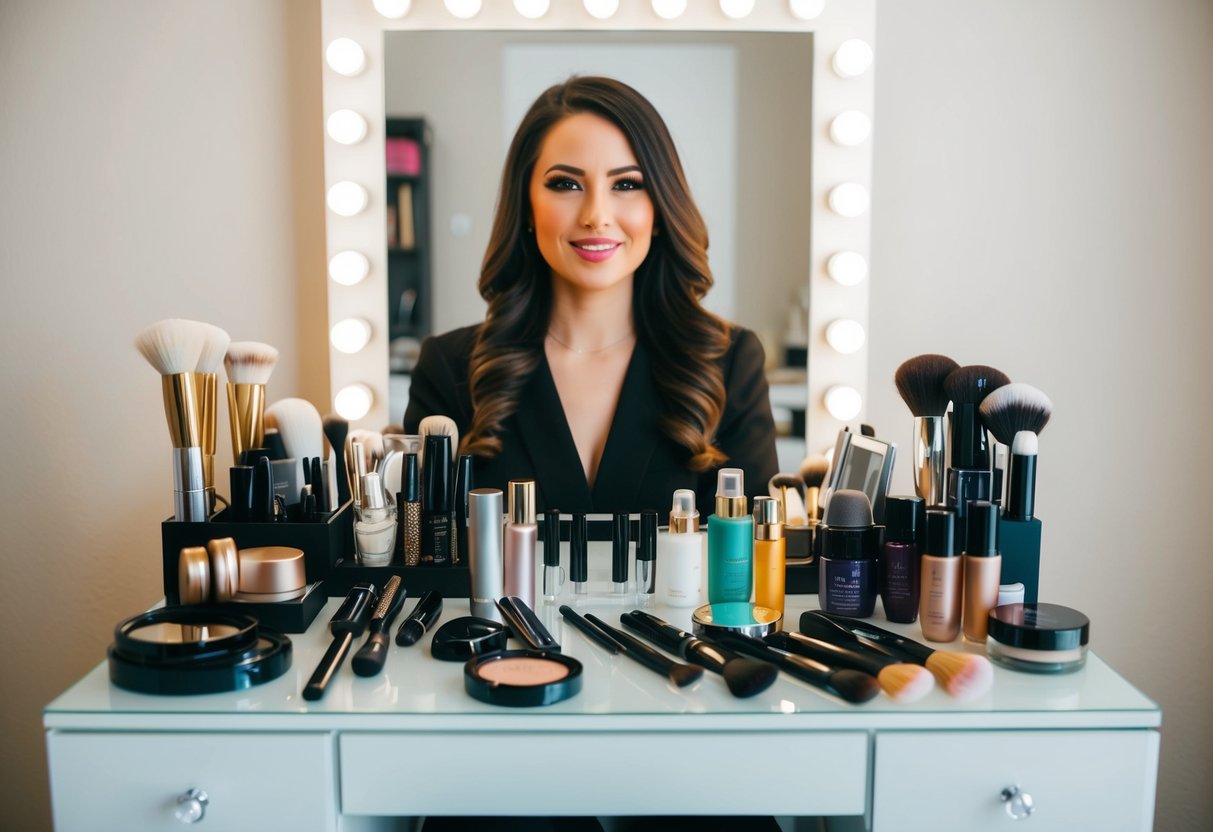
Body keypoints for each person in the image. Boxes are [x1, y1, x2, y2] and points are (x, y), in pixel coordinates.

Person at [404, 76, 778, 515]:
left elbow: (751, 566)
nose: (596, 216)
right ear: (526, 205)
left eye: (626, 184)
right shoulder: (449, 370)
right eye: (565, 184)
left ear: (659, 209)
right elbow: (426, 556)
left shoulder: (729, 364)